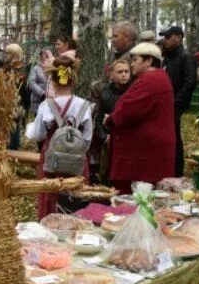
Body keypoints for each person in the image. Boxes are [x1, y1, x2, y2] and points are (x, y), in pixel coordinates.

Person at [25, 57, 92, 219]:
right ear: (74, 80)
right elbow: (87, 138)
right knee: (75, 194)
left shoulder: (46, 106)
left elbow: (38, 134)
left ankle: (49, 225)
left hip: (51, 159)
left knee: (50, 194)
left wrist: (29, 130)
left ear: (52, 81)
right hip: (77, 160)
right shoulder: (84, 105)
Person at [104, 43, 175, 194]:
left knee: (134, 200)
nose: (132, 64)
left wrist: (111, 119)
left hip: (143, 155)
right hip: (151, 148)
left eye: (135, 59)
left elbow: (129, 110)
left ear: (149, 61)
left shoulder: (150, 80)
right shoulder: (159, 78)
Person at [160, 25, 197, 177]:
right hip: (167, 103)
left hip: (175, 104)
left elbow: (190, 82)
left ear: (178, 38)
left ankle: (176, 171)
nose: (165, 41)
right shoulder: (169, 57)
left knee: (174, 138)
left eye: (167, 37)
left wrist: (176, 101)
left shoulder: (185, 57)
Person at [94, 59, 133, 182]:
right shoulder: (105, 94)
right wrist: (105, 138)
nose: (123, 74)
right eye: (120, 71)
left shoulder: (134, 91)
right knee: (107, 173)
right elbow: (98, 120)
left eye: (126, 71)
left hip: (129, 140)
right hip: (110, 141)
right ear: (112, 74)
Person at [28, 49, 54, 118]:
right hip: (38, 100)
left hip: (50, 101)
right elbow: (31, 82)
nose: (43, 57)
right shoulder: (36, 68)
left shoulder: (53, 68)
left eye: (46, 55)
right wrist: (42, 93)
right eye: (41, 55)